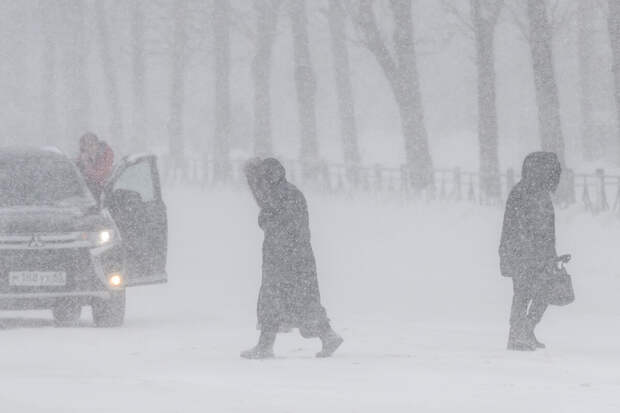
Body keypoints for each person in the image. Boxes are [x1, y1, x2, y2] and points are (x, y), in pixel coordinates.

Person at [241, 158, 343, 359]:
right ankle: (327, 335)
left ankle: (265, 345)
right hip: (298, 256)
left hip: (283, 257)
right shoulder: (288, 192)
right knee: (303, 299)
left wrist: (266, 218)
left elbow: (272, 222)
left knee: (273, 299)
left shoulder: (280, 196)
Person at [499, 152, 563, 351]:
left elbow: (546, 230)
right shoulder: (524, 192)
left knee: (542, 293)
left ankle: (525, 331)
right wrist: (529, 253)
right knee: (523, 293)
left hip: (536, 255)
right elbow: (517, 228)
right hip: (522, 255)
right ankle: (517, 335)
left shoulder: (538, 193)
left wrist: (551, 255)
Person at [77, 132, 114, 200]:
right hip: (88, 194)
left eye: (91, 145)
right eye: (85, 146)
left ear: (97, 144)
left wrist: (86, 164)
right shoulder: (83, 157)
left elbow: (99, 177)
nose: (88, 149)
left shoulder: (105, 155)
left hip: (104, 193)